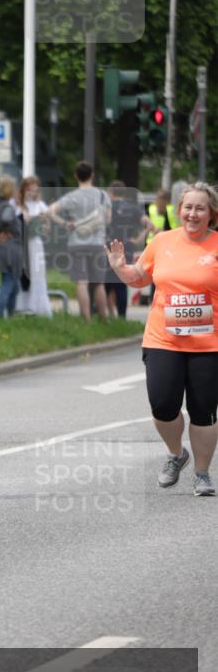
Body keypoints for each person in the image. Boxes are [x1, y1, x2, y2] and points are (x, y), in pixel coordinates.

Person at [106, 182, 218, 497]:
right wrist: (120, 269)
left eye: (200, 208)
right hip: (163, 340)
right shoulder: (162, 241)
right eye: (188, 207)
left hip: (209, 344)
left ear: (211, 214)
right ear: (179, 210)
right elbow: (140, 276)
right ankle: (176, 453)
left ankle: (202, 473)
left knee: (204, 410)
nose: (192, 214)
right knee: (163, 405)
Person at [48, 161, 111, 320]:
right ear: (92, 175)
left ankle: (86, 318)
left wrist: (64, 223)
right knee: (98, 283)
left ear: (76, 176)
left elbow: (51, 211)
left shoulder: (71, 197)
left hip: (76, 243)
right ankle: (104, 318)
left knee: (81, 282)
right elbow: (108, 219)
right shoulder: (103, 195)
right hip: (97, 243)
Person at [105, 181, 152, 319]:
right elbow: (149, 224)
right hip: (127, 247)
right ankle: (121, 316)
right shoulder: (133, 208)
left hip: (109, 248)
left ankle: (108, 316)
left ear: (111, 193)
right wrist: (138, 239)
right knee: (122, 282)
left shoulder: (107, 208)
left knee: (107, 282)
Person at [15, 176, 52, 318]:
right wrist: (23, 220)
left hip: (35, 242)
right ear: (24, 189)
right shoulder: (18, 205)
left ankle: (38, 306)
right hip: (21, 243)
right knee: (23, 272)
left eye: (35, 189)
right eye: (30, 189)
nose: (33, 192)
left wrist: (43, 222)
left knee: (37, 273)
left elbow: (47, 227)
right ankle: (22, 306)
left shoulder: (40, 204)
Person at [0, 175, 23, 318]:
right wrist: (5, 230)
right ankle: (0, 317)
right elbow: (6, 218)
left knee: (14, 287)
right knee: (7, 284)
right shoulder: (8, 207)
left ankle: (10, 315)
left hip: (0, 249)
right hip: (10, 250)